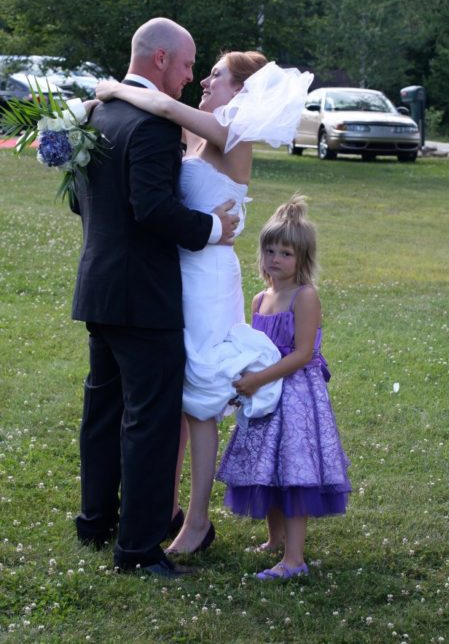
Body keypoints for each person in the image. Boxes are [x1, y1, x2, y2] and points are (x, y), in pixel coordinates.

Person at [95, 54, 312, 554]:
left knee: (199, 401)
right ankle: (167, 509)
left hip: (209, 277)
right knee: (175, 394)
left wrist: (113, 89)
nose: (205, 80)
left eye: (215, 73)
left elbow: (164, 106)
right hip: (179, 271)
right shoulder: (198, 135)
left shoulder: (229, 130)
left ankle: (196, 522)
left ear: (240, 90)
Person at [71, 17, 240, 578]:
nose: (192, 77)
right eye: (189, 64)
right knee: (149, 421)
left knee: (103, 412)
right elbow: (153, 210)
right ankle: (139, 549)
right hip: (144, 296)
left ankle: (96, 522)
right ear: (162, 59)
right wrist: (214, 229)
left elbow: (82, 203)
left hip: (99, 286)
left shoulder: (99, 114)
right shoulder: (151, 125)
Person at [217, 195, 352, 580]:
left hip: (295, 395)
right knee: (267, 467)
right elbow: (254, 347)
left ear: (302, 260)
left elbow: (304, 353)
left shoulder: (304, 296)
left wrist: (259, 378)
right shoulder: (261, 298)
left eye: (286, 253)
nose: (276, 259)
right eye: (270, 250)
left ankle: (294, 560)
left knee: (293, 471)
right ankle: (275, 538)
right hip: (265, 397)